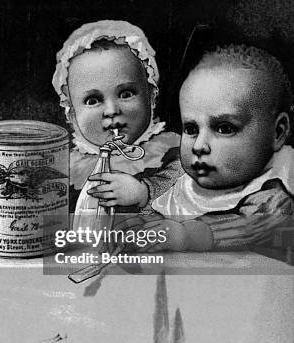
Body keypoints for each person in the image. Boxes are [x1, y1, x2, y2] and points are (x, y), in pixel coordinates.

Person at [121, 45, 293, 251]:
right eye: (191, 128)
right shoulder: (183, 172)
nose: (199, 146)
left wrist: (183, 235)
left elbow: (246, 228)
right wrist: (140, 196)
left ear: (278, 133)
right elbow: (157, 189)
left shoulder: (272, 199)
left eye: (224, 128)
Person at [52, 20, 183, 213]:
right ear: (71, 115)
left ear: (151, 97)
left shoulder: (171, 152)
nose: (112, 110)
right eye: (93, 100)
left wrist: (144, 193)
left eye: (126, 94)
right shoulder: (68, 168)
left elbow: (192, 193)